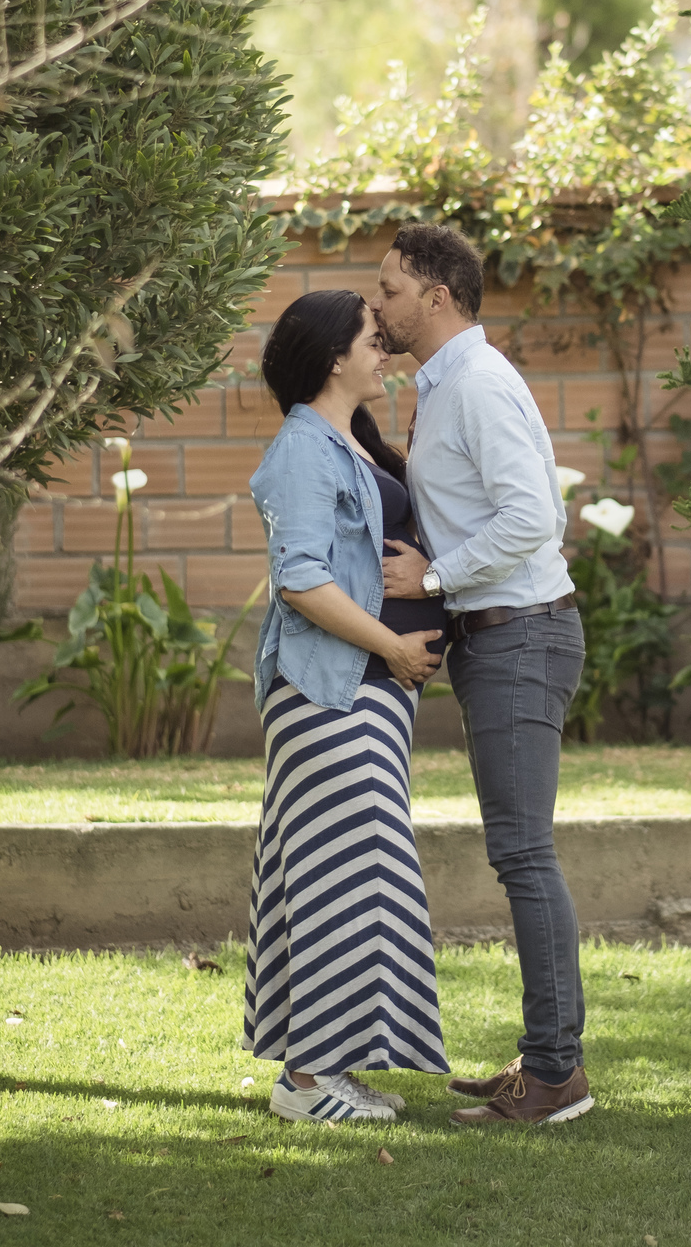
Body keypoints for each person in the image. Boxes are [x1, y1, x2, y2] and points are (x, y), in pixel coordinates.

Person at [369, 222, 594, 1128]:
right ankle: (547, 1062)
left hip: (521, 638)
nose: (377, 304)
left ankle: (554, 1077)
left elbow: (533, 519)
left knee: (523, 854)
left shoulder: (477, 384)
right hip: (500, 640)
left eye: (389, 288)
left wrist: (429, 577)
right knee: (521, 852)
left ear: (437, 296)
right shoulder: (450, 383)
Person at [242, 289, 451, 1125]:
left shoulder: (347, 444)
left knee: (344, 876)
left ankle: (321, 1068)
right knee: (347, 877)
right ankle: (305, 1084)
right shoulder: (302, 448)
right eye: (373, 339)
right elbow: (300, 581)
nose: (385, 351)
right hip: (330, 691)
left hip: (366, 696)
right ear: (334, 357)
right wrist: (395, 647)